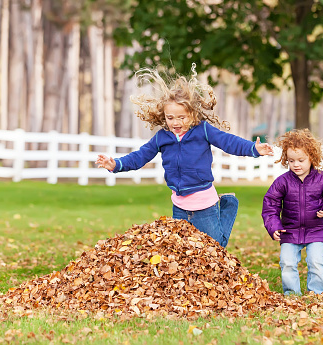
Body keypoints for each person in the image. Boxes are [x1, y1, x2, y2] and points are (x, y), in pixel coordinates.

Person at [96, 64, 273, 248]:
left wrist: (253, 149)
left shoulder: (202, 130)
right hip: (179, 205)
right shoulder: (162, 137)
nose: (176, 122)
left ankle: (229, 206)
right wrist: (116, 164)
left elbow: (228, 141)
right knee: (182, 250)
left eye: (182, 117)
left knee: (215, 247)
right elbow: (140, 156)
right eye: (170, 118)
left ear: (192, 114)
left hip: (204, 205)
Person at [261, 128, 323, 295]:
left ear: (312, 158)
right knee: (287, 262)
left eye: (301, 160)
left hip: (317, 229)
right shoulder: (282, 182)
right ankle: (292, 293)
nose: (296, 165)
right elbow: (270, 204)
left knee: (315, 261)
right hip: (290, 230)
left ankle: (318, 292)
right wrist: (273, 226)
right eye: (292, 161)